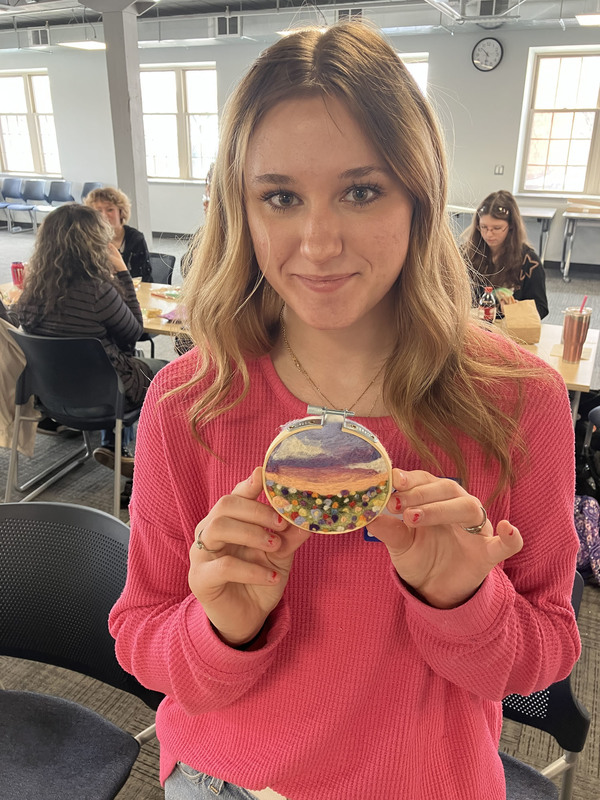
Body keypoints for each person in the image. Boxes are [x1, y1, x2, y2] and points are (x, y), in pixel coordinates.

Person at [109, 22, 580, 800]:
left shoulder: (519, 400)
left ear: (418, 196)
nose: (318, 241)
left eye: (361, 191)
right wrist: (222, 627)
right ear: (243, 208)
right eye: (281, 196)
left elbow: (548, 650)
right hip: (225, 781)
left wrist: (461, 601)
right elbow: (141, 638)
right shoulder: (188, 401)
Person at [16, 204, 167, 477]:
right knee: (167, 374)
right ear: (95, 242)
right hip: (105, 393)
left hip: (52, 396)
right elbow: (134, 332)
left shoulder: (31, 291)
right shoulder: (98, 291)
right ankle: (144, 459)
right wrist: (122, 272)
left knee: (112, 364)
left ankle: (115, 445)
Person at [462, 190, 549, 319]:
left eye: (497, 228)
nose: (489, 234)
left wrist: (515, 308)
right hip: (475, 327)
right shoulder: (466, 254)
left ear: (512, 226)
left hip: (510, 331)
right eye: (483, 227)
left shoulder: (529, 261)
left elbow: (541, 308)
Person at [85, 186, 153, 283]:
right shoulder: (88, 239)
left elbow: (144, 277)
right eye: (99, 211)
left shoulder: (135, 238)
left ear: (121, 212)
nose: (104, 215)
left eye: (110, 210)